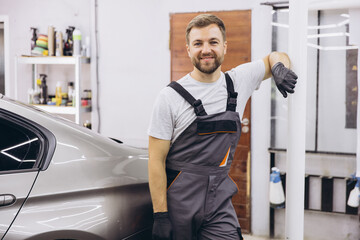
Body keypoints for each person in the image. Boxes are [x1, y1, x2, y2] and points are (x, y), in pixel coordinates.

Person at [148, 14, 297, 240]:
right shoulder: (169, 97)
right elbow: (156, 160)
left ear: (224, 47)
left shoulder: (238, 81)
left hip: (218, 201)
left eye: (213, 42)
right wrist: (160, 215)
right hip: (179, 203)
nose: (206, 49)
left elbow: (278, 56)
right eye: (198, 43)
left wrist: (279, 67)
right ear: (188, 49)